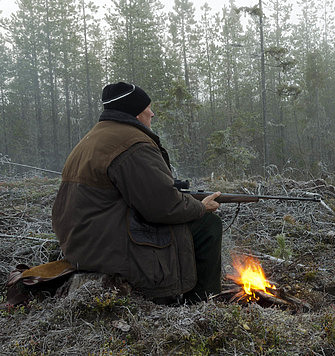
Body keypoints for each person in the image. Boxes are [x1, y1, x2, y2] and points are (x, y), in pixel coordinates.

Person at [52, 82, 222, 303]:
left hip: (83, 246)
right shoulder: (133, 144)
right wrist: (200, 206)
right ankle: (202, 304)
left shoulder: (93, 138)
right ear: (135, 112)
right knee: (208, 225)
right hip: (109, 250)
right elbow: (163, 207)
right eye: (148, 108)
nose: (152, 113)